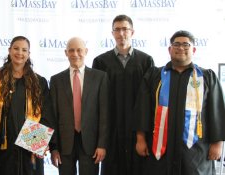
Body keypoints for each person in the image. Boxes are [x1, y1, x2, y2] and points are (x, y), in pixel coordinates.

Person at [134, 30, 225, 175]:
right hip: (161, 148)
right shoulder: (155, 76)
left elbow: (217, 111)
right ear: (169, 49)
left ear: (193, 50)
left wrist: (218, 144)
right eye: (176, 45)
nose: (181, 48)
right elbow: (143, 109)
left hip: (196, 150)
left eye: (185, 45)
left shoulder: (206, 77)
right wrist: (140, 139)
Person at [92, 14, 155, 175]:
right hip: (112, 129)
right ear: (112, 33)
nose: (121, 33)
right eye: (117, 29)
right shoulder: (101, 61)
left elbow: (150, 100)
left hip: (138, 130)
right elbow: (96, 100)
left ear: (132, 32)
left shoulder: (145, 61)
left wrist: (145, 133)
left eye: (125, 29)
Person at [0, 36, 56, 175]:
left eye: (24, 50)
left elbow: (47, 113)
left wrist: (37, 142)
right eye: (16, 48)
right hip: (3, 144)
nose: (20, 53)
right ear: (9, 50)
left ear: (28, 54)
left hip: (30, 146)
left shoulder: (38, 82)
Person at [50, 37, 109, 175]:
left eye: (79, 50)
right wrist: (54, 148)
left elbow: (104, 114)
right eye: (71, 50)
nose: (75, 54)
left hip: (91, 143)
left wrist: (101, 144)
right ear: (65, 53)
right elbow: (53, 115)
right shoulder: (56, 80)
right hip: (64, 145)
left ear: (86, 51)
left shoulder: (100, 77)